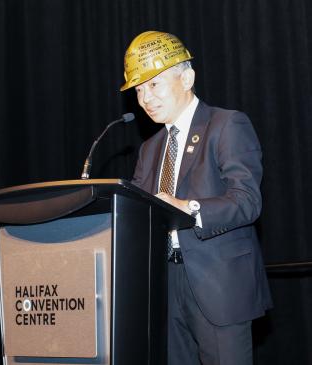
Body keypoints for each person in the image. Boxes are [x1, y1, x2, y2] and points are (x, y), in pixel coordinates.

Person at [121, 31, 272, 365]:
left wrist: (188, 208)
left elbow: (247, 201)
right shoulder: (149, 149)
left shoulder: (226, 125)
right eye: (139, 91)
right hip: (164, 285)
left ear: (186, 78)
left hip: (219, 286)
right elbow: (134, 211)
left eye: (154, 85)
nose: (145, 98)